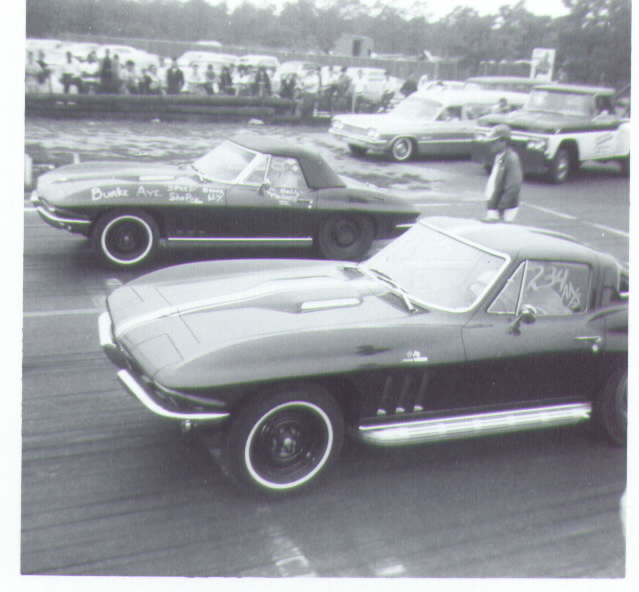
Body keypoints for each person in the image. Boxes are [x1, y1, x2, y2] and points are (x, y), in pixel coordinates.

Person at [483, 124, 523, 223]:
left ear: (504, 141)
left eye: (494, 142)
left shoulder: (511, 159)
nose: (490, 145)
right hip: (495, 207)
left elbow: (513, 187)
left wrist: (501, 208)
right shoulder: (499, 157)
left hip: (504, 211)